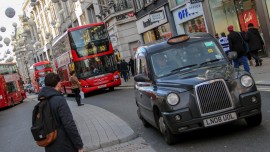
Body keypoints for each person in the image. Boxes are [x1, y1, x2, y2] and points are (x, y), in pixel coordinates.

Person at [38, 73, 84, 152]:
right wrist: (79, 145)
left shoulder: (42, 101)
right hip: (64, 145)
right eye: (59, 82)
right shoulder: (59, 100)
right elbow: (69, 124)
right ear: (58, 84)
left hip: (49, 145)